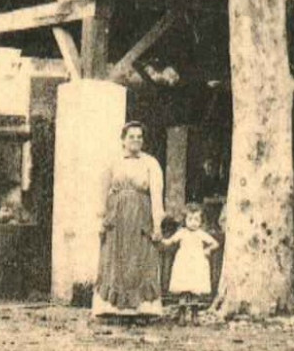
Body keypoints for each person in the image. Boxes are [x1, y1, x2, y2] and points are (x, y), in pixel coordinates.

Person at [93, 121, 165, 318]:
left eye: (139, 137)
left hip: (141, 216)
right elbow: (102, 190)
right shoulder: (113, 161)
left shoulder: (150, 163)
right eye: (131, 136)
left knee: (140, 257)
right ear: (123, 140)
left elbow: (156, 194)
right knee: (114, 257)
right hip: (117, 217)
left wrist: (157, 223)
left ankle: (142, 306)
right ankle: (111, 306)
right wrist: (101, 218)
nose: (136, 140)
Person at [161, 203, 220, 322]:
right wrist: (160, 240)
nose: (193, 222)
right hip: (184, 262)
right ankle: (182, 314)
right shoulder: (182, 232)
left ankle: (195, 314)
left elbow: (215, 243)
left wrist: (207, 250)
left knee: (195, 290)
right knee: (183, 289)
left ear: (201, 221)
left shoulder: (201, 234)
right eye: (190, 219)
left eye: (197, 219)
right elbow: (170, 241)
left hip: (197, 263)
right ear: (185, 220)